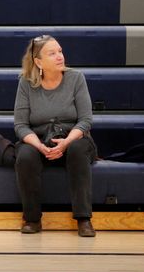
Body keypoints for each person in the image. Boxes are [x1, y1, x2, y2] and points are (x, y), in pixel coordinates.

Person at [13, 34, 98, 237]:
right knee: (25, 155)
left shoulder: (76, 78)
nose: (60, 56)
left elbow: (86, 120)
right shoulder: (26, 83)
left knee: (77, 149)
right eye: (52, 53)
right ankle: (32, 219)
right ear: (38, 62)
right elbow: (21, 125)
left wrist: (67, 142)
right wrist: (40, 146)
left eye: (60, 51)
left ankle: (84, 219)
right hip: (40, 138)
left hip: (74, 137)